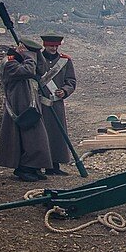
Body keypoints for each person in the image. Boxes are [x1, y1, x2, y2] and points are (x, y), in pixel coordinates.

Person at [0, 38, 53, 182]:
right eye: (30, 52)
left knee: (37, 138)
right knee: (26, 138)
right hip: (18, 106)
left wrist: (37, 54)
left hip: (29, 104)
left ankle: (34, 166)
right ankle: (24, 168)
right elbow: (28, 71)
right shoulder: (9, 62)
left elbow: (41, 70)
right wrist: (29, 56)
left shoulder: (23, 61)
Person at [37, 34, 77, 176]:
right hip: (39, 102)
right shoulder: (36, 59)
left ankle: (54, 165)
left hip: (56, 103)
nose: (53, 48)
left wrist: (64, 91)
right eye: (51, 46)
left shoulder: (65, 61)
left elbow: (71, 81)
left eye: (56, 46)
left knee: (56, 135)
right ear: (45, 45)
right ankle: (38, 165)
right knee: (39, 135)